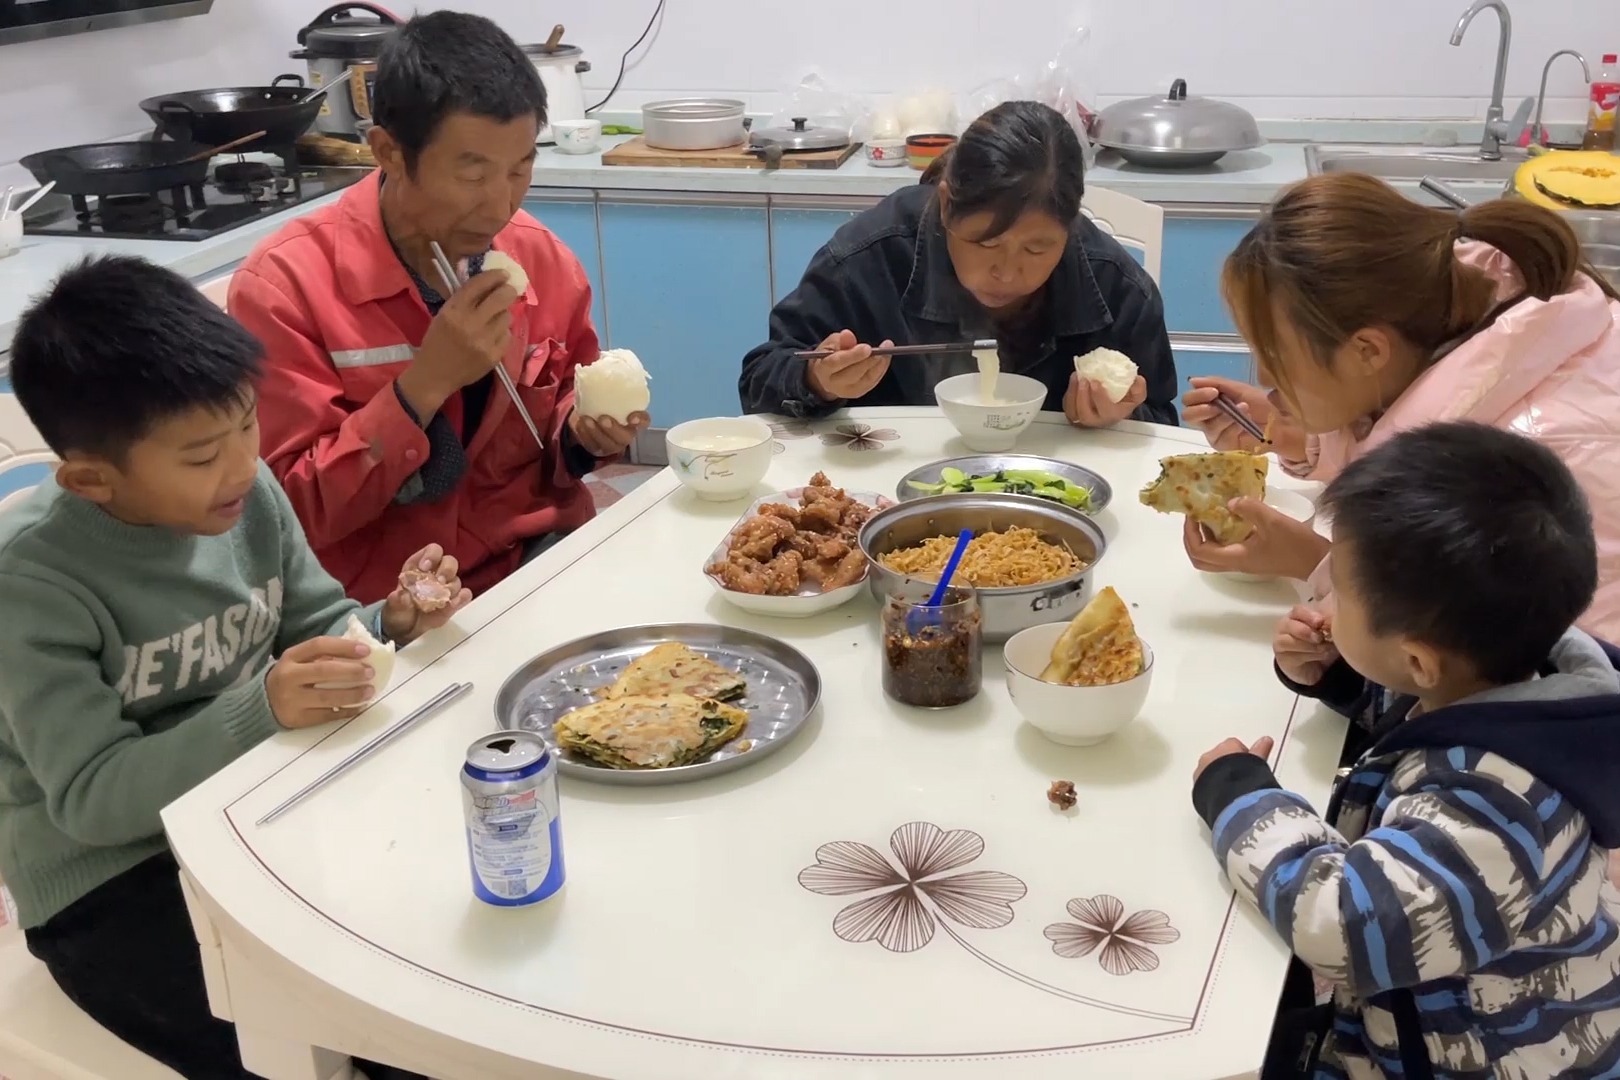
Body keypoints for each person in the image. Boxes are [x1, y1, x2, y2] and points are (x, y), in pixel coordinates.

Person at [0, 256, 459, 1079]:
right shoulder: (30, 583)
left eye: (247, 423)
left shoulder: (247, 493)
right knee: (284, 1043)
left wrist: (388, 622)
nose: (244, 463)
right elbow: (90, 801)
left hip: (256, 806)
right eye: (202, 452)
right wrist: (262, 710)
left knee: (422, 993)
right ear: (90, 480)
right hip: (110, 883)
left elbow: (317, 628)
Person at [1193, 422, 1620, 1080]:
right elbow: (1437, 720)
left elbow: (1339, 924)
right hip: (1435, 1005)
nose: (1327, 602)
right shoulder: (1520, 676)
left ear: (1418, 658)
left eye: (1342, 590)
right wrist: (1343, 675)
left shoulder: (1495, 813)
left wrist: (1242, 799)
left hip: (1489, 1055)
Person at [230, 11, 647, 604]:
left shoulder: (540, 258)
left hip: (534, 563)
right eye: (472, 173)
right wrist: (424, 385)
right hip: (381, 606)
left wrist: (586, 432)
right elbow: (289, 513)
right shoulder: (285, 287)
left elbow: (557, 422)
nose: (501, 205)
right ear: (390, 154)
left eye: (521, 168)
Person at [1177, 173, 1620, 638]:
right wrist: (1303, 436)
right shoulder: (1456, 301)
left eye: (1275, 356)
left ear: (1366, 350)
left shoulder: (1524, 467)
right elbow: (1411, 409)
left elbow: (1508, 664)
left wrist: (1319, 565)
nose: (1265, 378)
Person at [738, 100, 1179, 427]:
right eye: (986, 244)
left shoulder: (1112, 284)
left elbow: (1163, 421)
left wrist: (1123, 414)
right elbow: (759, 379)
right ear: (947, 205)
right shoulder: (870, 257)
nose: (1008, 273)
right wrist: (818, 380)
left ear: (1071, 225)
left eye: (1037, 249)